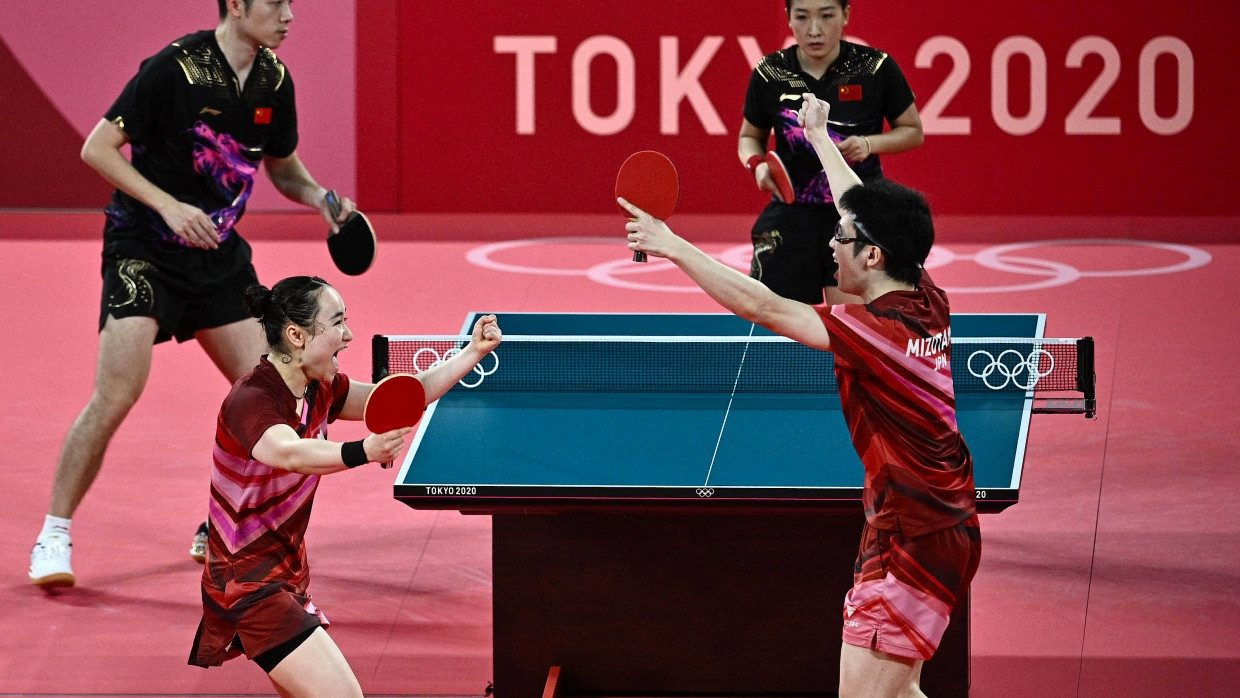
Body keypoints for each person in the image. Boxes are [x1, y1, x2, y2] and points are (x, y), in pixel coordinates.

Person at [622, 93, 979, 698]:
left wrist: (674, 245)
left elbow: (762, 305)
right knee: (902, 691)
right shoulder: (924, 294)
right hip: (936, 523)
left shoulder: (874, 333)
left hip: (912, 538)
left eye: (840, 239)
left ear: (871, 255)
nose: (829, 246)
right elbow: (859, 207)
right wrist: (818, 136)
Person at [29, 0, 359, 589]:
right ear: (237, 5)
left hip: (218, 258)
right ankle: (54, 532)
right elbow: (97, 149)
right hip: (144, 248)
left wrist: (320, 200)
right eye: (276, 3)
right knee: (117, 391)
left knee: (273, 390)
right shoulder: (174, 67)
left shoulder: (273, 80)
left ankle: (222, 523)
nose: (289, 15)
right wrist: (169, 205)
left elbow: (282, 169)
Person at [186, 276, 502, 696]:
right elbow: (291, 452)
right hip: (248, 581)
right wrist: (362, 451)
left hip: (286, 572)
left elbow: (407, 394)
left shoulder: (319, 389)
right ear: (297, 335)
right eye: (337, 323)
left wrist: (472, 353)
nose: (349, 334)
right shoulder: (252, 400)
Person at [739, 0, 924, 306]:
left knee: (855, 331)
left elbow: (913, 131)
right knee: (780, 327)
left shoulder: (875, 67)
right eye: (802, 17)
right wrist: (757, 165)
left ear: (846, 15)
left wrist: (868, 144)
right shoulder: (770, 72)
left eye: (827, 16)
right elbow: (749, 136)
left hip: (857, 216)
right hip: (792, 216)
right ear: (788, 18)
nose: (814, 30)